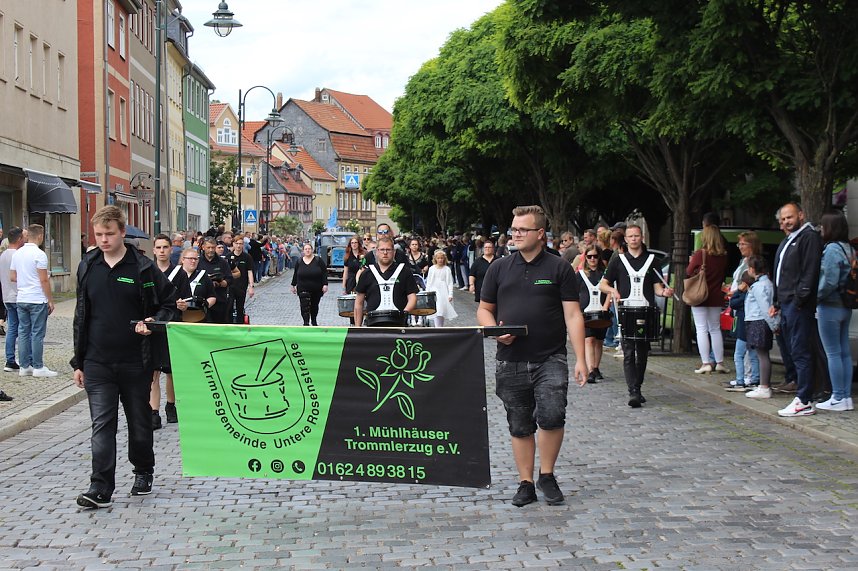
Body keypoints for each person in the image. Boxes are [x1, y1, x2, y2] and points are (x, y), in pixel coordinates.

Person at [477, 205, 588, 507]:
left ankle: (546, 475)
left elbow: (573, 315)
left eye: (522, 229)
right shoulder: (499, 268)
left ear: (540, 233)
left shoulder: (558, 268)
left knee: (552, 415)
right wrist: (495, 331)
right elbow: (484, 310)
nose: (516, 234)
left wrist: (581, 358)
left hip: (550, 357)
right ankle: (525, 482)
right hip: (510, 358)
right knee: (520, 422)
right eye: (514, 229)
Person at [72, 206, 178, 509]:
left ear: (122, 232)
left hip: (135, 360)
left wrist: (153, 322)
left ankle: (143, 471)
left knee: (139, 421)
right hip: (97, 360)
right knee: (102, 424)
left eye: (109, 234)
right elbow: (81, 315)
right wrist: (78, 361)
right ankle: (100, 486)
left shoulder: (142, 268)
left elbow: (169, 304)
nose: (103, 240)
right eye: (98, 234)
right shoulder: (88, 265)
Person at [600, 224, 674, 407]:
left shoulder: (652, 261)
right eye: (630, 236)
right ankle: (633, 391)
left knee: (642, 352)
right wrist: (612, 291)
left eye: (636, 236)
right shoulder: (618, 261)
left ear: (642, 238)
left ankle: (638, 386)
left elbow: (657, 288)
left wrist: (664, 292)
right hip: (626, 311)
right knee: (628, 351)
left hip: (646, 310)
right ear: (625, 239)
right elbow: (603, 284)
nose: (633, 239)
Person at [772, 202, 823, 417]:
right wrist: (776, 302)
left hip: (797, 304)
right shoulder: (789, 239)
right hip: (786, 303)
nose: (786, 222)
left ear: (801, 215)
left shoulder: (808, 237)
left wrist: (800, 299)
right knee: (794, 350)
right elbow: (781, 271)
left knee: (801, 351)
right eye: (783, 219)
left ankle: (804, 399)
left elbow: (810, 270)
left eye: (790, 217)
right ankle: (803, 397)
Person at [149, 234, 191, 428]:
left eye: (165, 247)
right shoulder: (148, 272)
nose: (162, 251)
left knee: (171, 371)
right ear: (154, 250)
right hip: (152, 325)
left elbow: (187, 300)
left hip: (173, 325)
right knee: (153, 371)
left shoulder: (179, 274)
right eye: (158, 247)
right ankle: (153, 412)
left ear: (171, 249)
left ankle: (171, 406)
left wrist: (184, 306)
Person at [815, 210, 854, 411]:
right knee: (844, 353)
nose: (821, 229)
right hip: (846, 305)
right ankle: (846, 397)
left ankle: (837, 397)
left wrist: (814, 297)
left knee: (833, 353)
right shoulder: (850, 249)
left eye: (823, 226)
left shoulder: (831, 249)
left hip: (829, 306)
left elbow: (829, 281)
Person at [10, 224, 56, 377]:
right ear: (40, 236)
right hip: (37, 298)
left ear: (27, 235)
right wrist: (50, 300)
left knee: (23, 332)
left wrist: (25, 280)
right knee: (37, 333)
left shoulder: (17, 254)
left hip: (22, 297)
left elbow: (13, 277)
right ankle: (38, 366)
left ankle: (24, 366)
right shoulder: (39, 254)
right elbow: (43, 280)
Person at [687, 224, 729, 374]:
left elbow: (689, 271)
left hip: (700, 295)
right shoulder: (723, 256)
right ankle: (719, 362)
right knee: (715, 329)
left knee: (701, 329)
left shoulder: (701, 254)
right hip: (716, 295)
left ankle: (706, 363)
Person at [354, 236, 418, 327]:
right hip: (373, 324)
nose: (385, 253)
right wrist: (357, 328)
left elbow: (412, 297)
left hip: (398, 324)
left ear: (394, 252)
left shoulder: (405, 272)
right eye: (382, 250)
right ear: (377, 252)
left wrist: (404, 313)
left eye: (388, 250)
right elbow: (359, 303)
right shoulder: (367, 273)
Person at [725, 232, 762, 390]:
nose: (740, 247)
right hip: (739, 302)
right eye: (739, 244)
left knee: (746, 349)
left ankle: (748, 376)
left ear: (751, 245)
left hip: (745, 306)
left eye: (743, 244)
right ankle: (749, 376)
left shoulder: (754, 263)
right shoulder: (743, 261)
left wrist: (737, 291)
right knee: (746, 348)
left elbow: (748, 282)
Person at [742, 258, 779, 399]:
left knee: (762, 355)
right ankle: (763, 385)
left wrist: (773, 325)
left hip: (758, 321)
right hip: (761, 321)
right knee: (762, 354)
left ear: (752, 269)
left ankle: (764, 386)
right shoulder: (768, 283)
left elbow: (765, 308)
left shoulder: (758, 286)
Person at [577, 244, 610, 384]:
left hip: (601, 312)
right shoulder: (580, 274)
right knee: (589, 340)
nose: (592, 259)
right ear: (585, 257)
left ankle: (596, 367)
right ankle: (591, 370)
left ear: (599, 257)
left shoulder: (605, 274)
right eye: (589, 256)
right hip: (586, 313)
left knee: (599, 341)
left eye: (595, 256)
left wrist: (606, 307)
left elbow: (610, 291)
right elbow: (574, 293)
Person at [0, 227, 25, 372]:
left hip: (7, 295)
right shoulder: (18, 255)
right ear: (19, 239)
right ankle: (25, 360)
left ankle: (10, 360)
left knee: (12, 329)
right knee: (23, 329)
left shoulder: (3, 255)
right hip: (18, 295)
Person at [197, 237, 233, 324]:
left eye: (213, 247)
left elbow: (230, 279)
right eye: (208, 247)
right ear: (203, 247)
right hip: (201, 301)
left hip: (219, 300)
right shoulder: (197, 262)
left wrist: (221, 283)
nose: (211, 250)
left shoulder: (222, 262)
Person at [291, 243, 328, 326]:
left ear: (312, 250)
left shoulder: (318, 260)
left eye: (309, 249)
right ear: (303, 251)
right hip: (303, 287)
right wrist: (293, 285)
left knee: (314, 305)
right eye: (306, 249)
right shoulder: (299, 261)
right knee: (304, 306)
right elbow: (296, 273)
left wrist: (325, 284)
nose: (307, 250)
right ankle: (306, 323)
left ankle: (314, 321)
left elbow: (324, 273)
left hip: (316, 287)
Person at [425, 250, 457, 327]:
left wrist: (450, 294)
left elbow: (449, 282)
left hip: (443, 291)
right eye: (438, 258)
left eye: (442, 258)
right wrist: (427, 293)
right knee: (437, 309)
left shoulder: (447, 269)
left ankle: (440, 326)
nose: (440, 260)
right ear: (435, 259)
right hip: (434, 290)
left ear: (444, 259)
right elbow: (429, 281)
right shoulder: (432, 268)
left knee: (442, 310)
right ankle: (437, 327)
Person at [228, 239, 254, 324]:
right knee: (229, 306)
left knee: (240, 307)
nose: (238, 246)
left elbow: (249, 272)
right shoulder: (228, 256)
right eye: (237, 243)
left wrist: (251, 286)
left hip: (242, 286)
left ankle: (240, 325)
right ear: (233, 244)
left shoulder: (247, 257)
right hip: (230, 286)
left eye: (240, 244)